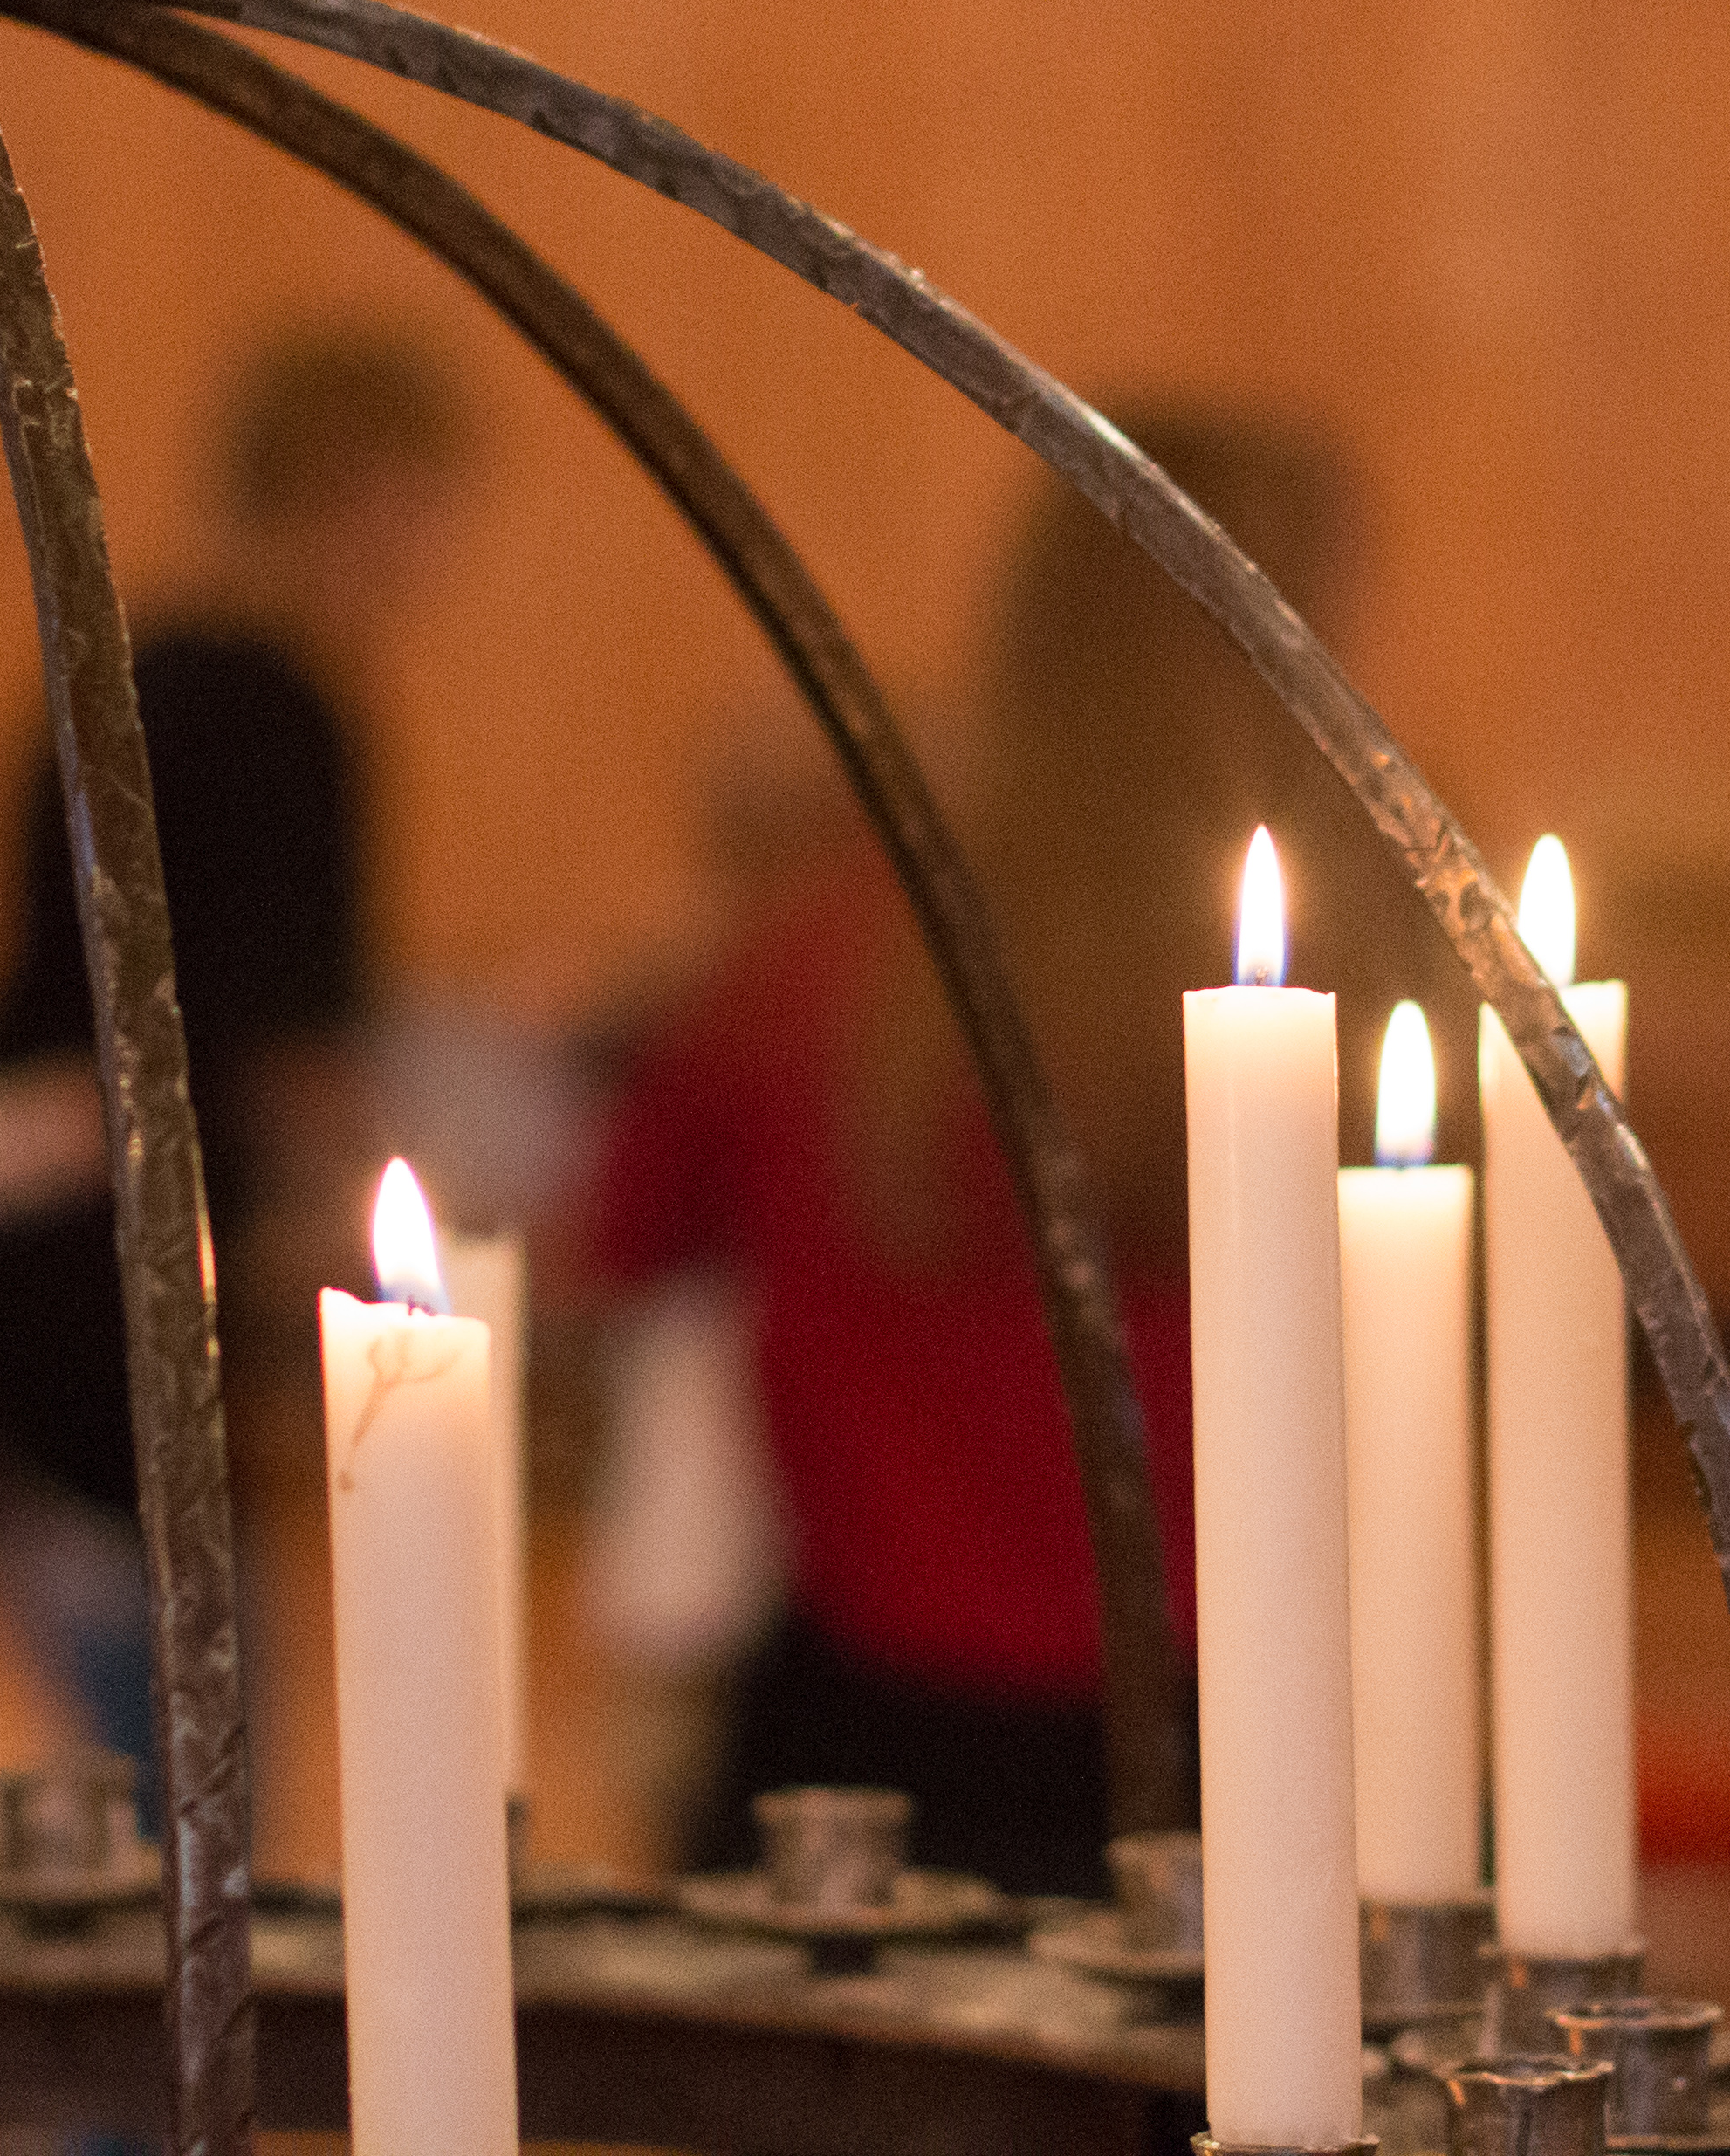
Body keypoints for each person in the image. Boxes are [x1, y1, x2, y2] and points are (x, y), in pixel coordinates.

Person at [588, 408, 1431, 1895]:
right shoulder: (1372, 975)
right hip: (1242, 1737)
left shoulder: (829, 949)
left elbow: (624, 1234)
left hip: (870, 1746)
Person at [0, 329, 476, 1761]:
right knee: (200, 1759)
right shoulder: (284, 707)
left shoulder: (116, 661)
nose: (436, 557)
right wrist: (417, 1241)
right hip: (148, 1287)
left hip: (35, 1263)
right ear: (356, 490)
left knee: (129, 1756)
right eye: (426, 507)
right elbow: (291, 1053)